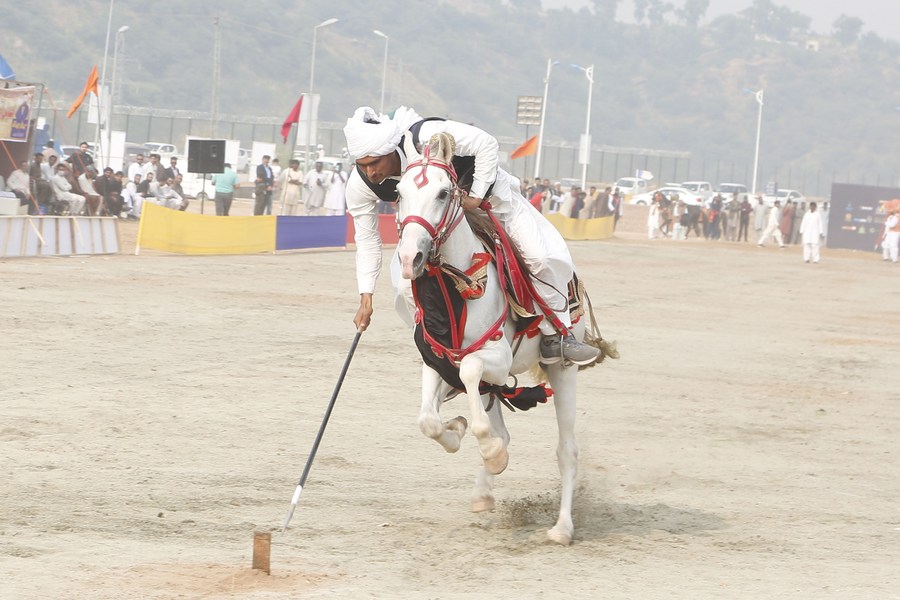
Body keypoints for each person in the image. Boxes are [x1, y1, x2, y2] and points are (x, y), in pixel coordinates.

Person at [342, 105, 599, 365]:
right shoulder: (360, 185)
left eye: (375, 163)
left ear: (390, 148)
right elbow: (366, 241)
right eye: (362, 166)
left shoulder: (429, 135)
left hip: (492, 203)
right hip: (435, 226)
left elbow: (486, 143)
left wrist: (475, 196)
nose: (370, 173)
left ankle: (558, 335)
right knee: (403, 290)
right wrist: (366, 295)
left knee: (540, 258)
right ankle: (438, 351)